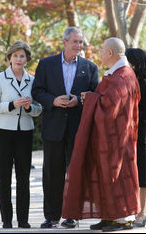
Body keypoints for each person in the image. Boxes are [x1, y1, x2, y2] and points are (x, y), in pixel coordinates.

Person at [62, 37, 141, 231]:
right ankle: (109, 215)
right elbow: (106, 99)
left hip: (118, 138)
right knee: (105, 173)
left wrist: (90, 98)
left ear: (111, 53)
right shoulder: (116, 74)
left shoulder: (123, 76)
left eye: (102, 50)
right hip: (110, 137)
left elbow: (110, 105)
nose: (100, 54)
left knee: (117, 173)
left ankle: (122, 217)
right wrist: (92, 98)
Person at [31, 27, 99, 229]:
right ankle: (51, 216)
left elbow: (95, 95)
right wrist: (53, 100)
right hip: (53, 127)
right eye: (75, 41)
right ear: (65, 42)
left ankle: (72, 215)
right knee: (52, 172)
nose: (78, 45)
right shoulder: (46, 64)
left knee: (75, 172)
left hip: (78, 128)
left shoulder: (90, 67)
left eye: (81, 42)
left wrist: (78, 100)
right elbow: (37, 91)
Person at [0, 41, 43, 229]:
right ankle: (7, 220)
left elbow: (38, 110)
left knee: (23, 177)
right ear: (9, 58)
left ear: (27, 59)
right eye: (15, 55)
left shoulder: (33, 81)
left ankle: (24, 220)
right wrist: (11, 105)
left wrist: (28, 107)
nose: (19, 59)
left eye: (22, 56)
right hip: (1, 132)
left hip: (24, 133)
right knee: (3, 176)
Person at [125, 48, 146, 228]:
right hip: (124, 136)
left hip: (141, 135)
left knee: (142, 174)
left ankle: (141, 213)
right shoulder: (122, 83)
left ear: (133, 64)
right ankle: (127, 210)